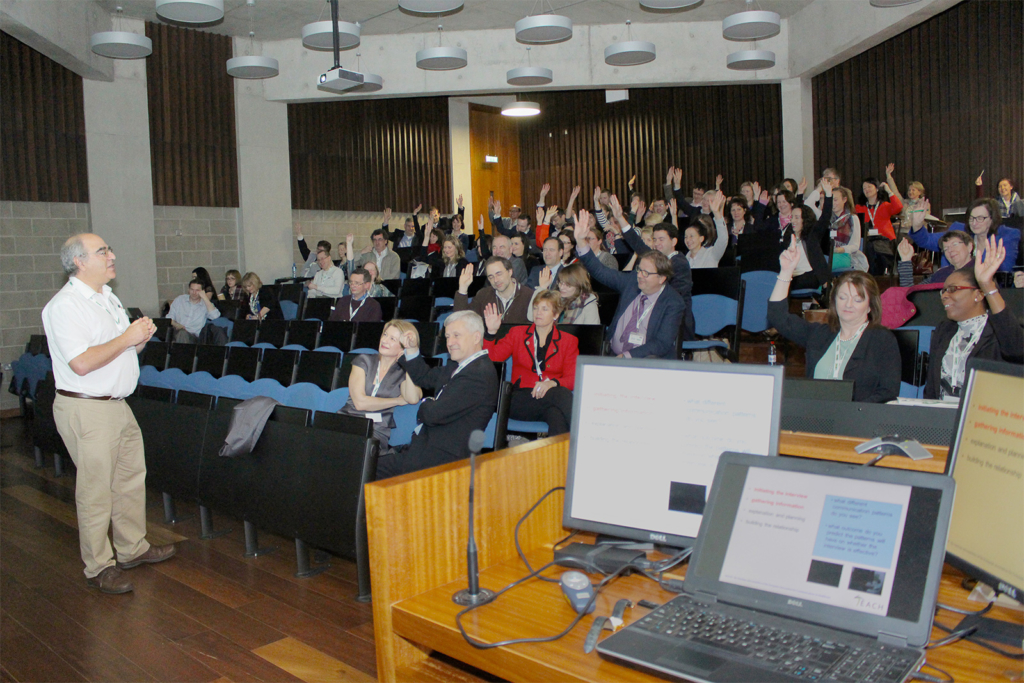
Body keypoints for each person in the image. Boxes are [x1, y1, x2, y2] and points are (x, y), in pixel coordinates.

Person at [42, 233, 175, 594]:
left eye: (110, 249)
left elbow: (117, 350)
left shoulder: (108, 297)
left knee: (130, 479)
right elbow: (82, 363)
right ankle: (99, 565)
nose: (112, 255)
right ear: (79, 262)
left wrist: (140, 338)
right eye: (102, 251)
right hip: (87, 407)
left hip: (117, 404)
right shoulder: (65, 306)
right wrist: (127, 338)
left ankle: (132, 548)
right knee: (96, 491)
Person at [768, 237, 900, 403]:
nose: (848, 304)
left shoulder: (882, 340)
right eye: (843, 297)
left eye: (857, 300)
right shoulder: (820, 334)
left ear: (870, 306)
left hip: (857, 422)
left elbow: (888, 392)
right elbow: (777, 317)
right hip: (815, 419)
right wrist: (786, 272)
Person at [376, 311, 499, 478]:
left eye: (456, 335)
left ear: (476, 337)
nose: (450, 342)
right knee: (366, 464)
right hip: (425, 449)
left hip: (441, 460)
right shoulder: (459, 366)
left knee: (367, 470)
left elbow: (433, 414)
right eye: (448, 336)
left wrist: (426, 402)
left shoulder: (479, 374)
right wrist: (412, 350)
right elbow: (425, 377)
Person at [575, 210, 686, 358]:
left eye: (646, 273)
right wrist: (581, 242)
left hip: (646, 362)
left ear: (661, 278)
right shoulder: (632, 282)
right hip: (612, 355)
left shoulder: (673, 302)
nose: (640, 275)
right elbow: (600, 271)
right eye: (639, 270)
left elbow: (662, 343)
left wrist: (627, 356)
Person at [923, 238, 1023, 400]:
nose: (945, 296)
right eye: (944, 291)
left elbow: (1017, 350)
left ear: (978, 294)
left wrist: (987, 284)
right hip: (941, 419)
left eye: (953, 289)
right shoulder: (944, 330)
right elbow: (931, 388)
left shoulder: (999, 330)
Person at [483, 290, 579, 436]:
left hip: (548, 399)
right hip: (519, 398)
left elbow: (572, 379)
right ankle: (587, 436)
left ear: (556, 314)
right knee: (562, 396)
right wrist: (491, 333)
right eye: (536, 308)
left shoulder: (568, 341)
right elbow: (493, 360)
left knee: (556, 415)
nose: (538, 313)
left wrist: (551, 383)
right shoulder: (517, 333)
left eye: (544, 309)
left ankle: (559, 459)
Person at [340, 319, 424, 450]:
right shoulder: (363, 361)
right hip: (347, 421)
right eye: (385, 334)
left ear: (403, 347)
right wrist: (396, 400)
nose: (385, 340)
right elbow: (360, 403)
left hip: (375, 430)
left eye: (392, 339)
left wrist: (409, 362)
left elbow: (413, 398)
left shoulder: (402, 373)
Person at [907, 198, 1019, 273]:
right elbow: (926, 241)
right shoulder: (958, 229)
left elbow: (1004, 269)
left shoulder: (1008, 235)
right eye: (971, 218)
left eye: (980, 218)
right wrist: (917, 225)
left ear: (992, 219)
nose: (974, 223)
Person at [779, 178, 833, 290]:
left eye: (797, 218)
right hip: (792, 275)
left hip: (810, 275)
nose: (792, 220)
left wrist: (828, 195)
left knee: (783, 284)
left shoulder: (812, 235)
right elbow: (797, 209)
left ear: (805, 220)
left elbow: (825, 217)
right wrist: (799, 193)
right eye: (792, 217)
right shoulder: (789, 235)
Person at [454, 259, 534, 324]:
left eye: (499, 274)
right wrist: (463, 288)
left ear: (510, 272)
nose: (496, 280)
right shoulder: (483, 295)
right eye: (491, 277)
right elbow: (461, 320)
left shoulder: (529, 295)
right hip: (489, 342)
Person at [855, 176, 903, 275]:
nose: (866, 190)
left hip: (885, 240)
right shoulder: (859, 208)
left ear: (877, 188)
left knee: (877, 249)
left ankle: (881, 273)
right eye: (864, 188)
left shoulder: (885, 205)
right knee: (870, 247)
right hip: (868, 240)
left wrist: (888, 190)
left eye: (869, 186)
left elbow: (898, 207)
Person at [896, 230, 973, 287]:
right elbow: (911, 293)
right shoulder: (941, 274)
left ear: (969, 246)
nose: (950, 250)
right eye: (946, 249)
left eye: (955, 244)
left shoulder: (981, 272)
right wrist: (905, 260)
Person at [684, 197, 729, 269]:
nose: (688, 240)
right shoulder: (685, 259)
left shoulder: (711, 254)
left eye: (691, 236)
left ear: (701, 238)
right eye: (686, 237)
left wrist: (716, 213)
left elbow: (723, 238)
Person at [829, 186, 865, 272]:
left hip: (845, 254)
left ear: (844, 200)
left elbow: (855, 245)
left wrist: (840, 249)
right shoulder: (825, 218)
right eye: (830, 200)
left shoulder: (852, 218)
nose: (832, 203)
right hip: (828, 254)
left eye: (835, 200)